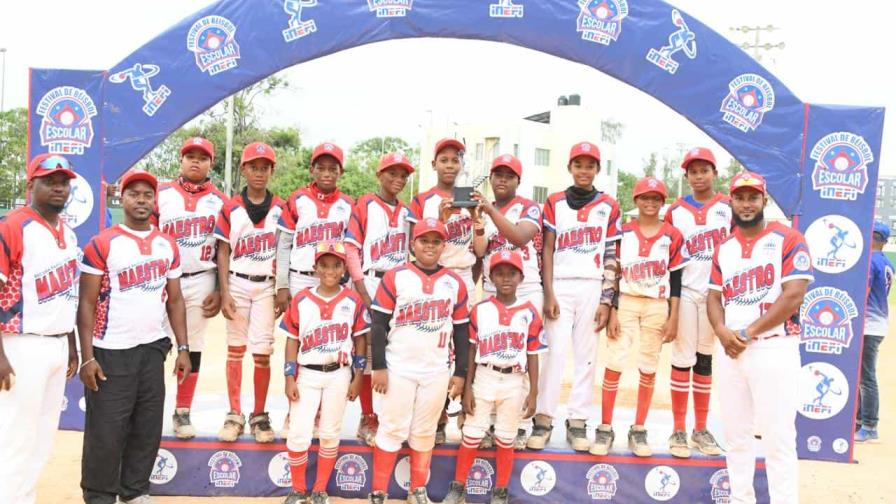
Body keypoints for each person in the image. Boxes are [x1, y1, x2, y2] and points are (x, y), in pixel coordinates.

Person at [78, 169, 192, 504]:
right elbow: (85, 304)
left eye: (147, 195)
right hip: (111, 351)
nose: (141, 200)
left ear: (154, 201)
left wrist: (183, 347)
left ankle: (135, 491)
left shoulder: (166, 244)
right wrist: (88, 356)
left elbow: (175, 299)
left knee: (146, 427)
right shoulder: (103, 243)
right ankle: (99, 496)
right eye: (134, 194)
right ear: (121, 198)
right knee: (107, 432)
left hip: (151, 349)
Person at [708, 171, 813, 503]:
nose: (746, 203)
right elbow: (713, 297)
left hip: (774, 348)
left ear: (764, 200)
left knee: (778, 437)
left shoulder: (788, 238)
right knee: (737, 437)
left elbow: (793, 295)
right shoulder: (724, 247)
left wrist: (746, 333)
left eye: (753, 197)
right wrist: (723, 333)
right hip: (731, 351)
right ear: (731, 201)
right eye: (740, 197)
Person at [367, 218, 470, 504]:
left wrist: (460, 373)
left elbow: (461, 331)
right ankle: (378, 491)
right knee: (392, 428)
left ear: (443, 246)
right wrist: (378, 367)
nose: (430, 246)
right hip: (398, 367)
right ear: (413, 244)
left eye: (436, 241)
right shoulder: (395, 276)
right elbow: (378, 325)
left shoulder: (454, 282)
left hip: (436, 369)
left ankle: (417, 489)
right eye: (424, 240)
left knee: (425, 431)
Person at [528, 141, 620, 451]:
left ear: (597, 169)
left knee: (586, 355)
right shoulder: (554, 201)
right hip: (561, 285)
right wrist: (549, 291)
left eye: (590, 165)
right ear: (570, 168)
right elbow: (548, 248)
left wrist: (608, 299)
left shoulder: (609, 204)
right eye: (579, 165)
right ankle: (543, 417)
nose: (584, 170)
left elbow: (611, 253)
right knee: (554, 353)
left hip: (592, 285)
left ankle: (578, 419)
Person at [0, 154, 80, 504]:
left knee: (42, 436)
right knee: (15, 436)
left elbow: (69, 294)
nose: (59, 187)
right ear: (30, 185)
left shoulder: (70, 232)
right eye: (50, 180)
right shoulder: (13, 227)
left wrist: (73, 346)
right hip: (21, 345)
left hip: (58, 344)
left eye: (63, 181)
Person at [592, 177, 687, 457]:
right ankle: (605, 426)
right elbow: (614, 272)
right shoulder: (624, 232)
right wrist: (613, 309)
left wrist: (674, 316)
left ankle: (639, 427)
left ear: (663, 202)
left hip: (657, 304)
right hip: (628, 302)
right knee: (615, 360)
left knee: (648, 365)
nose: (650, 202)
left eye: (656, 198)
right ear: (635, 200)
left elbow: (676, 278)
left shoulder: (672, 234)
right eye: (644, 197)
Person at [443, 251, 545, 504]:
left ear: (521, 277)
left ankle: (500, 491)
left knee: (506, 436)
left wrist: (533, 392)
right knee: (472, 434)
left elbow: (533, 354)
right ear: (490, 277)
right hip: (485, 376)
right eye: (499, 273)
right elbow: (471, 350)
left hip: (514, 380)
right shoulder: (480, 310)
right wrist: (467, 388)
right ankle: (458, 487)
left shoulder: (530, 312)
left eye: (512, 273)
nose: (506, 278)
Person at [280, 241, 369, 504]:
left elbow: (360, 340)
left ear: (344, 269)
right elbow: (291, 340)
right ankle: (298, 489)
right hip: (307, 373)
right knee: (298, 432)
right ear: (315, 268)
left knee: (330, 432)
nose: (330, 270)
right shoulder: (302, 299)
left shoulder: (352, 300)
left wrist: (358, 376)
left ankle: (319, 490)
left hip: (339, 374)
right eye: (324, 265)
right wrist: (289, 376)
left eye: (336, 265)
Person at [216, 142, 290, 443]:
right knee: (235, 348)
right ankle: (234, 413)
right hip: (237, 281)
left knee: (262, 351)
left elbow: (286, 250)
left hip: (266, 286)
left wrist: (282, 287)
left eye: (265, 167)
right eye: (253, 167)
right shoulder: (231, 207)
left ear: (271, 171)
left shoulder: (281, 208)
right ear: (244, 169)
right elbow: (223, 251)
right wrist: (224, 292)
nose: (259, 173)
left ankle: (259, 414)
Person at [154, 136, 226, 439]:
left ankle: (182, 411)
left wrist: (221, 289)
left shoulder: (220, 200)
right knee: (155, 345)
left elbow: (225, 247)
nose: (195, 161)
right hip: (161, 280)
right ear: (181, 161)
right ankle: (150, 408)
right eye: (189, 155)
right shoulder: (162, 194)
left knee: (192, 347)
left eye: (202, 157)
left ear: (211, 163)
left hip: (201, 277)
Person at [471, 153, 542, 450]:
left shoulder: (529, 206)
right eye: (497, 174)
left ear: (518, 180)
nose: (502, 179)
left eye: (508, 175)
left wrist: (489, 210)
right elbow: (479, 252)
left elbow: (519, 237)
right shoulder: (482, 210)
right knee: (491, 352)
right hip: (492, 286)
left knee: (523, 355)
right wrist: (477, 222)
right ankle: (488, 422)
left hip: (525, 289)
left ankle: (521, 423)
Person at [408, 138, 476, 445]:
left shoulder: (471, 197)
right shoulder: (423, 200)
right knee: (434, 344)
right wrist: (442, 221)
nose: (450, 165)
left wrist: (475, 217)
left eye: (455, 160)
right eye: (444, 159)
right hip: (434, 277)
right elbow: (419, 241)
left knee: (465, 344)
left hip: (464, 276)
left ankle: (462, 410)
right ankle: (435, 415)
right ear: (434, 164)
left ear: (461, 165)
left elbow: (480, 249)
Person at [663, 147, 729, 457]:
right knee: (682, 358)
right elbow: (670, 260)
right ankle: (678, 427)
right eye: (693, 171)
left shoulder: (728, 207)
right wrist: (670, 305)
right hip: (687, 289)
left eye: (704, 170)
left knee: (705, 358)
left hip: (717, 294)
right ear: (686, 175)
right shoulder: (676, 210)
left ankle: (700, 428)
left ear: (715, 173)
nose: (699, 176)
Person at [345, 152, 415, 446]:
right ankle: (367, 416)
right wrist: (362, 291)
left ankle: (389, 416)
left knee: (395, 351)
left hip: (398, 282)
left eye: (403, 175)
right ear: (379, 174)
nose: (398, 180)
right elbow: (350, 250)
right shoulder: (364, 204)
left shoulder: (407, 212)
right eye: (392, 173)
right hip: (371, 279)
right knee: (368, 353)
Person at [276, 142, 353, 304]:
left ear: (341, 172)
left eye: (333, 169)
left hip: (334, 279)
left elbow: (351, 249)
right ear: (312, 170)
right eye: (321, 168)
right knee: (300, 327)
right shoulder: (297, 199)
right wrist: (282, 285)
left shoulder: (348, 204)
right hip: (300, 278)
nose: (327, 174)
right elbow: (284, 245)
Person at [856, 220, 894, 442]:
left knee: (866, 376)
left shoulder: (869, 261)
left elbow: (865, 290)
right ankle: (861, 421)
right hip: (878, 323)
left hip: (868, 324)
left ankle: (869, 424)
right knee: (863, 375)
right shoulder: (886, 261)